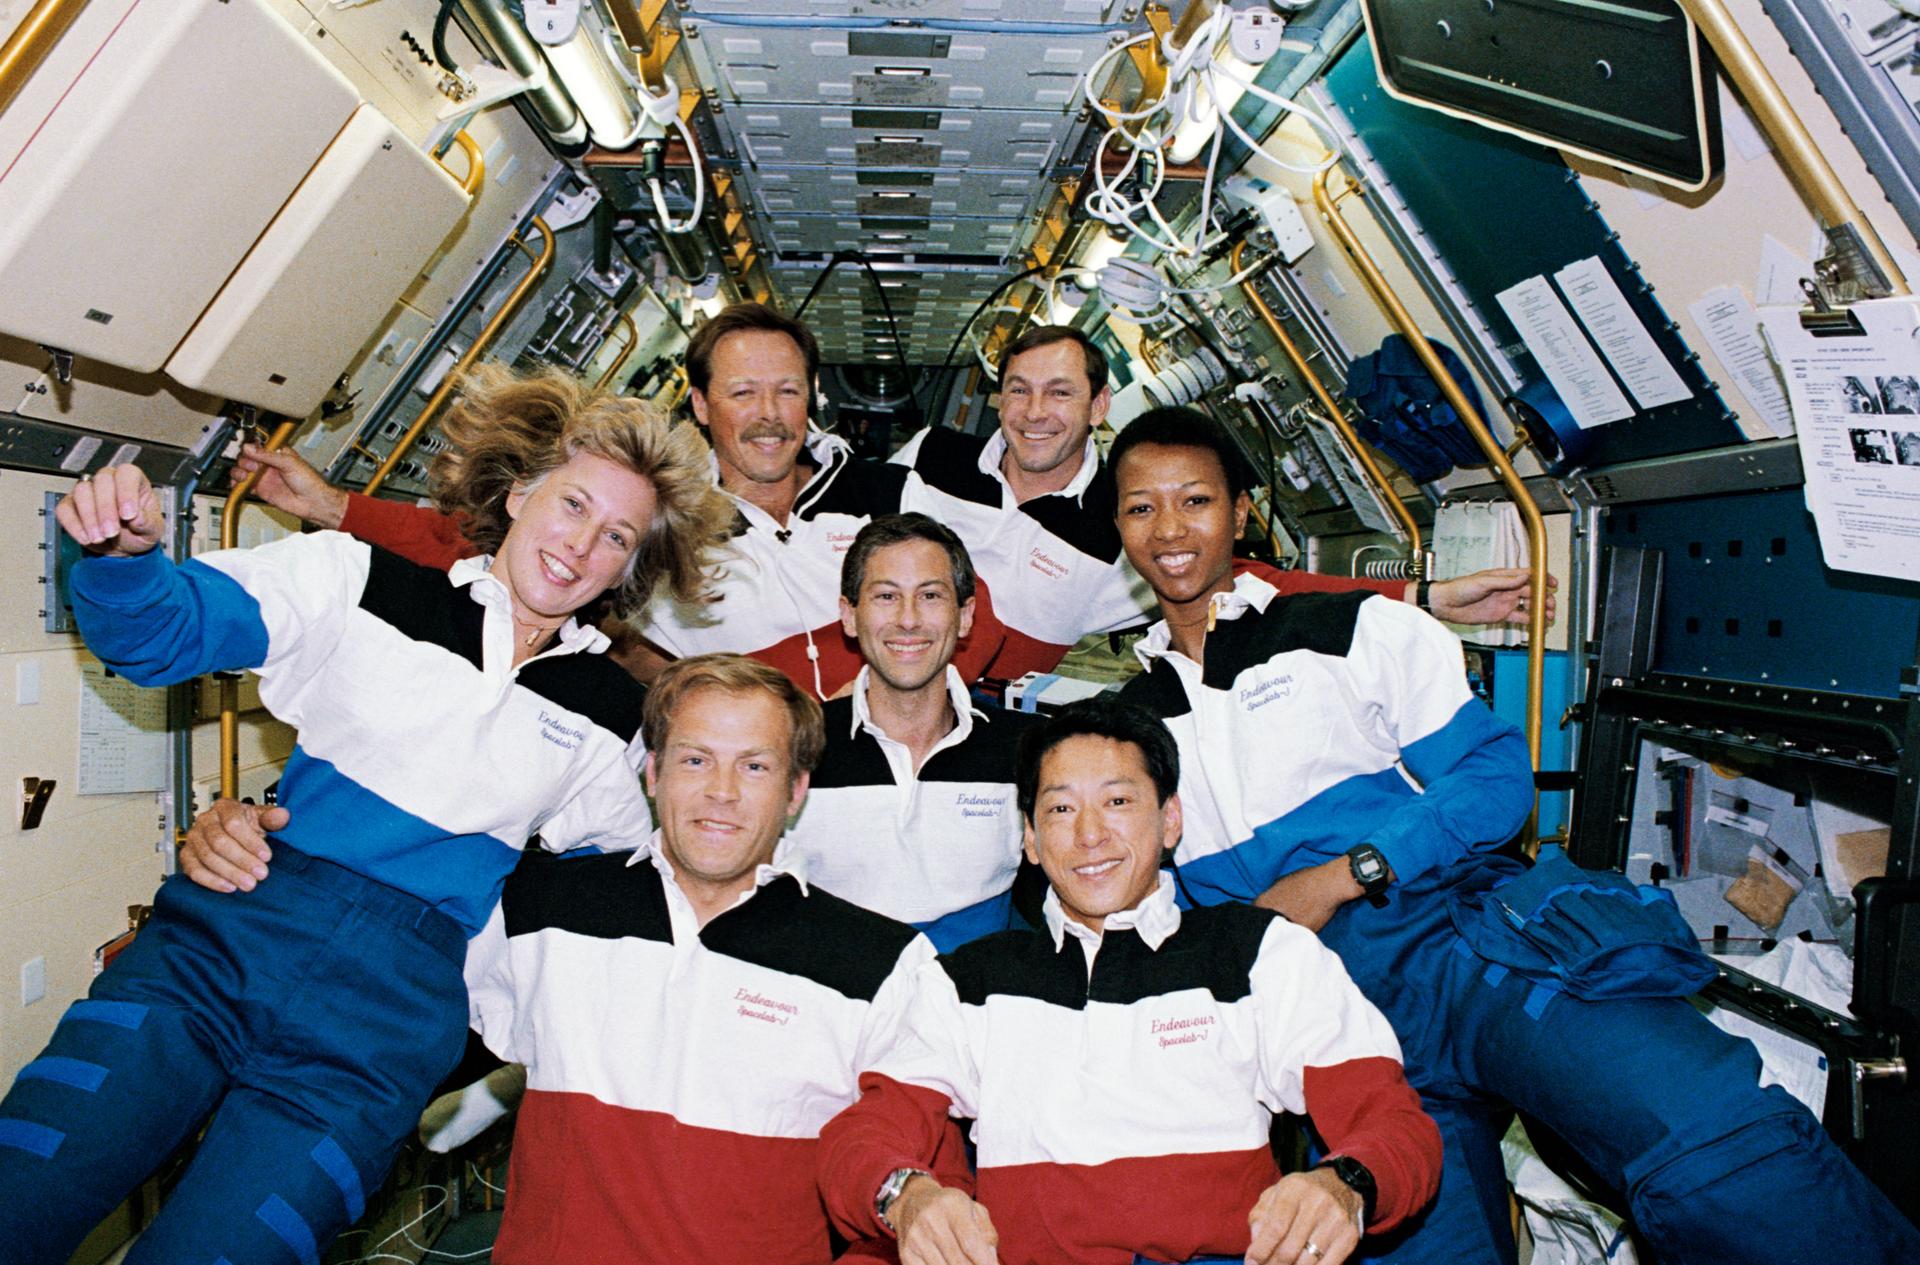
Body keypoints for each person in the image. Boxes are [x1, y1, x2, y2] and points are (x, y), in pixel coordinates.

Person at [1104, 405, 1920, 1265]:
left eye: (1194, 500)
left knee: (1719, 1150)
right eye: (1140, 507)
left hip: (1468, 951)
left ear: (1240, 509)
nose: (1169, 529)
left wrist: (1343, 872)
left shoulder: (1349, 629)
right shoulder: (1127, 731)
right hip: (1342, 1035)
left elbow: (1495, 778)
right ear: (1119, 527)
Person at [0, 366, 732, 1265]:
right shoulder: (357, 582)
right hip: (220, 949)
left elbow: (614, 891)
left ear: (634, 566)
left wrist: (479, 1032)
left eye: (617, 534)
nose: (582, 546)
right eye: (574, 504)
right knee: (23, 1191)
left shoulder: (605, 714)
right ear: (517, 492)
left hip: (378, 1038)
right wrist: (122, 560)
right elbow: (166, 632)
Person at [817, 698, 1442, 1265]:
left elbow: (1393, 1123)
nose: (1089, 835)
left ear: (1170, 820)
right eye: (1061, 808)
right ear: (1031, 839)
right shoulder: (967, 981)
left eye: (1118, 802)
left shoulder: (1259, 953)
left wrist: (1345, 1184)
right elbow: (866, 1134)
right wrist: (907, 1195)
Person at [457, 653, 965, 1263]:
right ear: (653, 773)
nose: (721, 792)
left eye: (754, 766)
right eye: (696, 760)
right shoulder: (534, 910)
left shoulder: (884, 965)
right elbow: (406, 1033)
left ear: (795, 790)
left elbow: (930, 1189)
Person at [234, 302, 1006, 698]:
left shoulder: (891, 494)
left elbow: (999, 591)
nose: (769, 415)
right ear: (702, 405)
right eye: (743, 392)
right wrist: (335, 507)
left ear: (812, 398)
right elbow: (479, 542)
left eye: (787, 391)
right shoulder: (657, 517)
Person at [894, 324, 1553, 683]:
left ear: (1098, 406)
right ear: (999, 396)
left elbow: (1263, 586)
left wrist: (1430, 597)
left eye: (1060, 393)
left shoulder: (1125, 517)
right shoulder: (930, 457)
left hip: (974, 717)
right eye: (1018, 390)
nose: (1035, 413)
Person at [791, 512, 1042, 950]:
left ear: (965, 616)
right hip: (834, 1004)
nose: (908, 619)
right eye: (886, 596)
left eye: (930, 595)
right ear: (849, 616)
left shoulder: (1029, 750)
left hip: (973, 1002)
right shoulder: (794, 748)